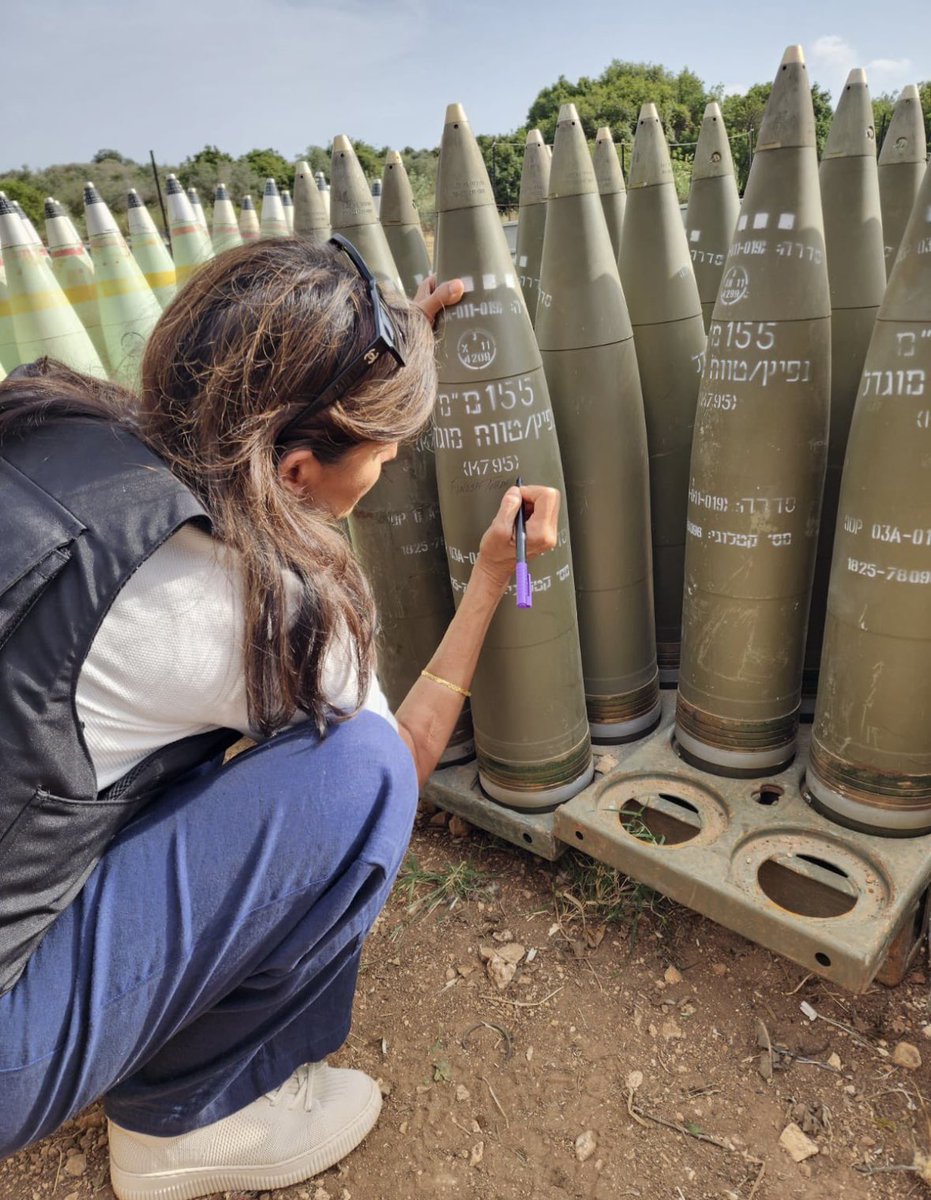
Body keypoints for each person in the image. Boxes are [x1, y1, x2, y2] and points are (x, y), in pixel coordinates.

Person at [0, 235, 560, 1200]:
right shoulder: (260, 612)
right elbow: (402, 759)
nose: (386, 469)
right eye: (383, 453)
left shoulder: (46, 419)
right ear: (297, 470)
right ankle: (186, 1121)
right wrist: (493, 585)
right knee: (355, 772)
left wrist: (382, 356)